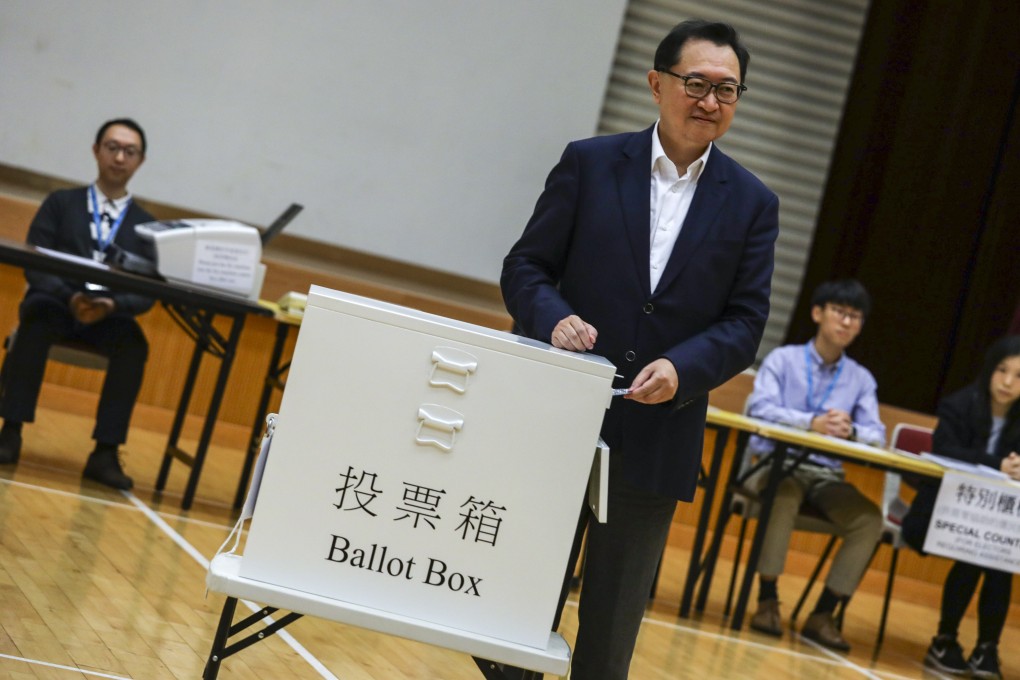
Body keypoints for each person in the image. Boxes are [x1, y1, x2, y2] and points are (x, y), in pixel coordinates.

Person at [501, 19, 778, 679]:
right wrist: (555, 317)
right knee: (514, 612)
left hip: (656, 435)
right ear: (658, 84)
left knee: (610, 632)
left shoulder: (752, 203)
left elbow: (746, 321)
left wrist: (683, 368)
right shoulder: (589, 163)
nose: (710, 101)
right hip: (557, 419)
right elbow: (526, 269)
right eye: (697, 83)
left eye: (728, 90)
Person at [0, 118, 155, 490]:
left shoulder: (148, 226)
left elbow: (149, 291)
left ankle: (105, 452)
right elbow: (33, 264)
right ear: (96, 151)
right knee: (35, 319)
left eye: (129, 151)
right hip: (57, 303)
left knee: (134, 344)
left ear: (140, 161)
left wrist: (110, 306)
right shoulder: (60, 203)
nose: (119, 157)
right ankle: (10, 432)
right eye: (112, 147)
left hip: (108, 314)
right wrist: (70, 297)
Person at [743, 278, 885, 651]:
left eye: (856, 317)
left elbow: (877, 435)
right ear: (817, 313)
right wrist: (811, 423)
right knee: (784, 494)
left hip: (825, 476)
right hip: (774, 466)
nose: (847, 322)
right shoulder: (783, 360)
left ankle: (823, 614)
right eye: (840, 312)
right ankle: (767, 599)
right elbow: (759, 408)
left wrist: (850, 431)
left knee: (869, 520)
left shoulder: (861, 378)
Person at [901, 335, 1020, 679]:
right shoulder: (958, 405)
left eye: (1018, 375)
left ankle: (985, 647)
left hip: (993, 527)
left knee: (996, 552)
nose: (1009, 383)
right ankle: (947, 638)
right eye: (1002, 371)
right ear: (989, 370)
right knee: (983, 548)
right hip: (937, 516)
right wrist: (996, 465)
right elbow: (942, 452)